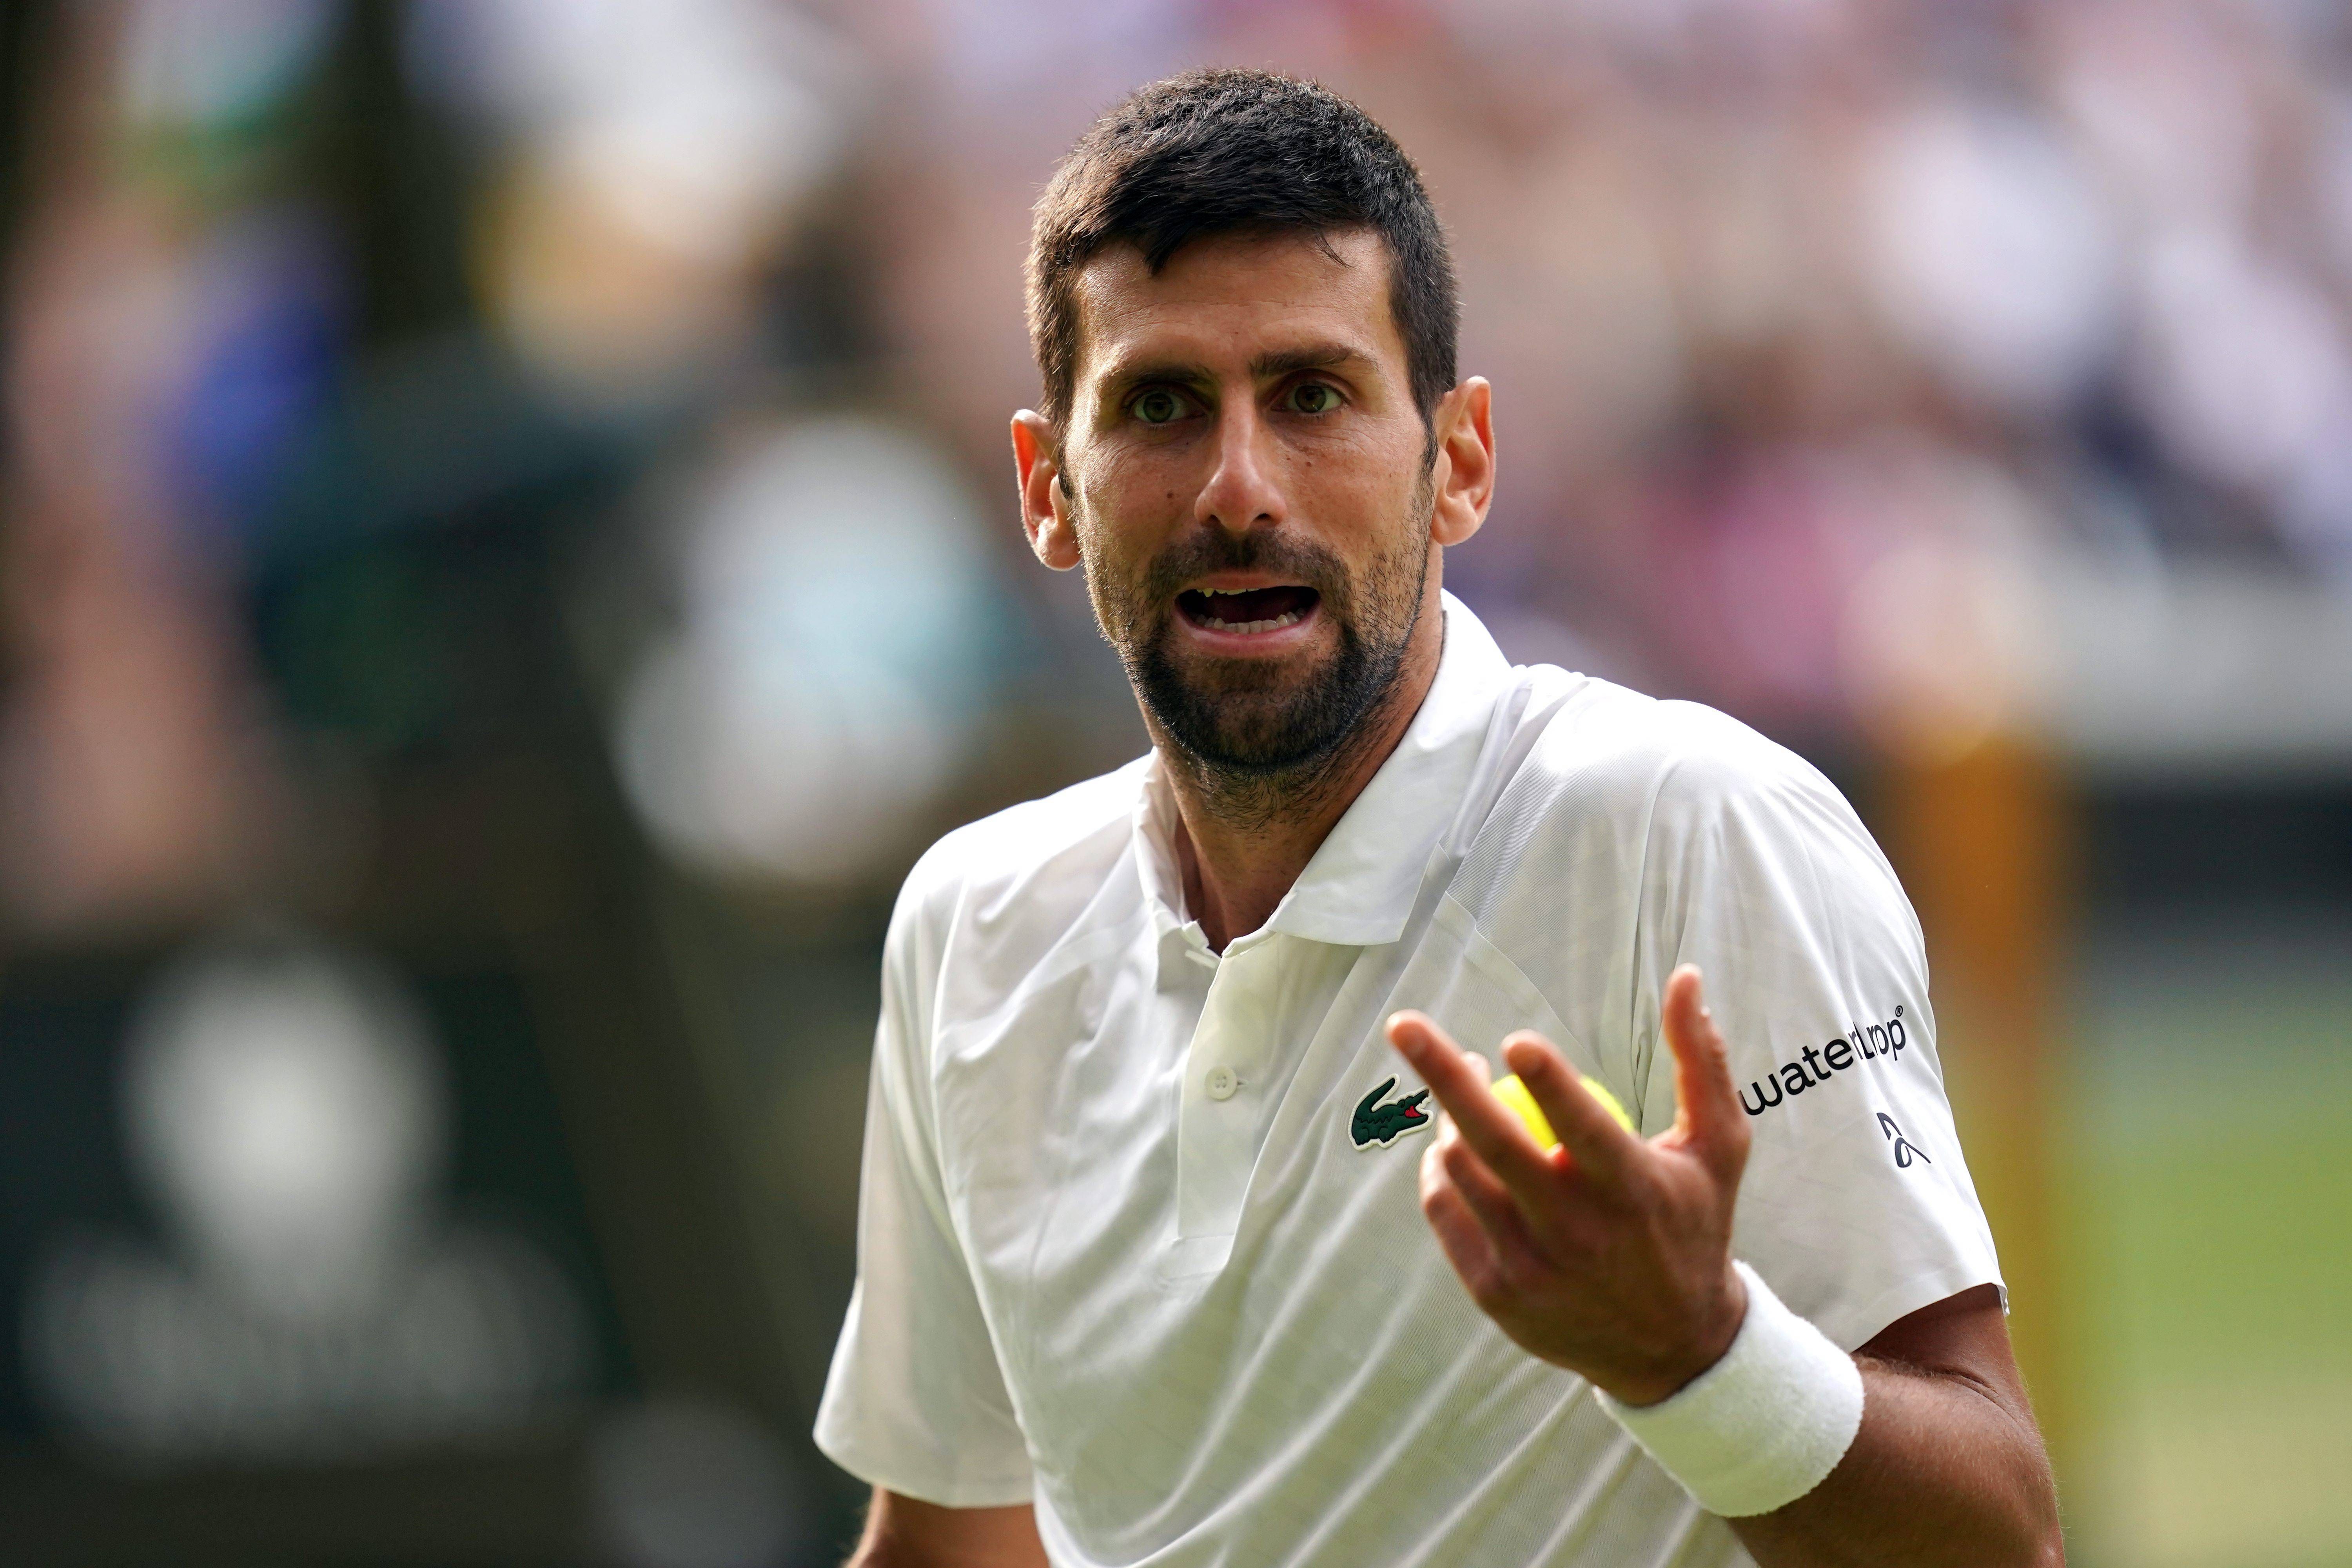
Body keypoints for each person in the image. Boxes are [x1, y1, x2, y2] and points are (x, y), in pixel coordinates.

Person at [814, 68, 2062, 1568]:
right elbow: (951, 1543)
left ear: (1458, 461)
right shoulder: (974, 923)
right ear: (1048, 488)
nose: (1237, 485)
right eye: (1158, 405)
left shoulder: (1689, 827)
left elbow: (1999, 1538)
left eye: (1313, 395)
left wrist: (1702, 1354)